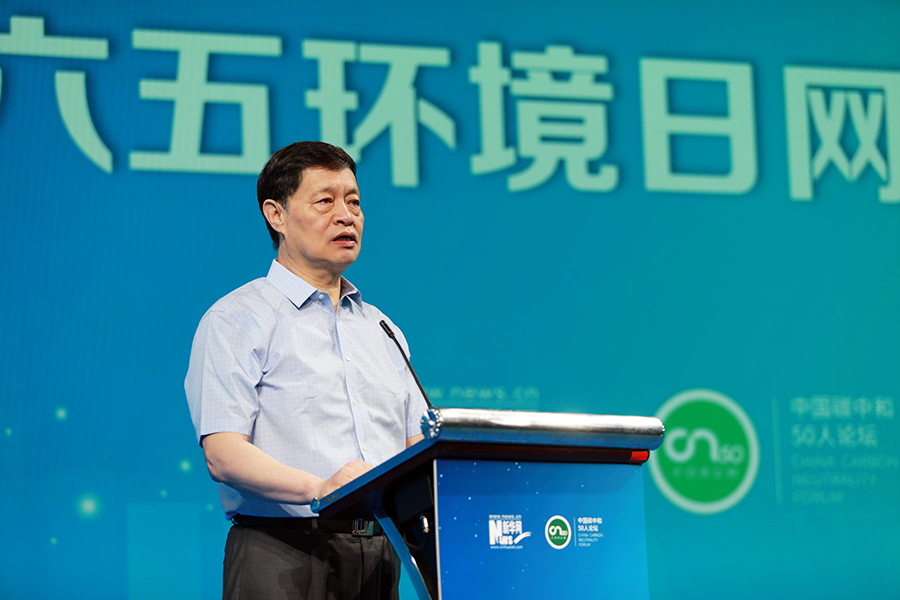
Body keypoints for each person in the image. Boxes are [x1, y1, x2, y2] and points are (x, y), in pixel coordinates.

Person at [185, 141, 428, 600]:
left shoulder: (383, 329)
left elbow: (415, 445)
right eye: (325, 201)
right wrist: (320, 488)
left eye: (354, 202)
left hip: (381, 555)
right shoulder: (237, 319)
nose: (346, 216)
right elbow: (223, 453)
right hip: (282, 550)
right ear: (276, 214)